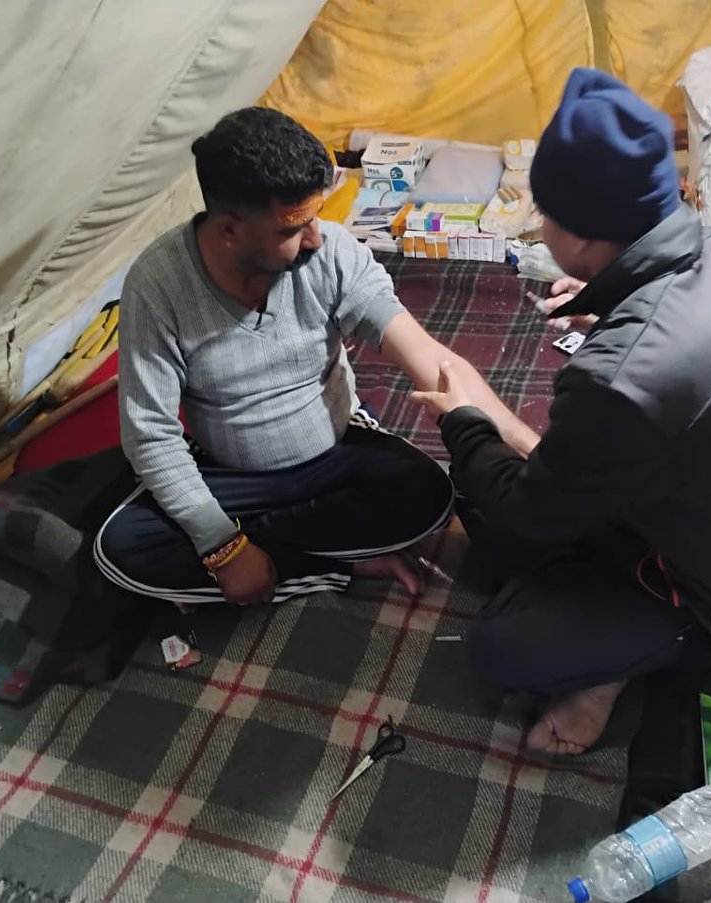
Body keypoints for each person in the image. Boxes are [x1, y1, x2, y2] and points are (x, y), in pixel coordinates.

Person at [412, 69, 711, 755]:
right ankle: (594, 606)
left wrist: (463, 417)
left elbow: (530, 509)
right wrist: (614, 291)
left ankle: (624, 665)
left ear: (577, 235)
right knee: (476, 492)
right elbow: (682, 331)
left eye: (546, 215)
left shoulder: (621, 374)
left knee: (499, 646)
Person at [96, 107, 538, 608]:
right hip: (231, 477)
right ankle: (320, 559)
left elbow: (439, 366)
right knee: (121, 550)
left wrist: (536, 453)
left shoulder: (332, 254)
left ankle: (284, 553)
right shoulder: (159, 285)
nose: (316, 237)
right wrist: (222, 546)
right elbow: (151, 435)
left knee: (428, 495)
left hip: (334, 458)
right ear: (229, 230)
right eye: (294, 227)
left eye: (315, 217)